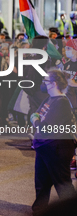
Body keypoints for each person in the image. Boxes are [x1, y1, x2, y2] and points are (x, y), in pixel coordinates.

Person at [31, 69, 77, 215]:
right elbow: (36, 114)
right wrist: (36, 119)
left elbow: (44, 126)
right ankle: (39, 209)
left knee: (62, 183)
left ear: (53, 84)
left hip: (58, 149)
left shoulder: (62, 102)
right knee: (42, 182)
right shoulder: (49, 99)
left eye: (46, 81)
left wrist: (36, 121)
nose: (43, 84)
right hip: (45, 147)